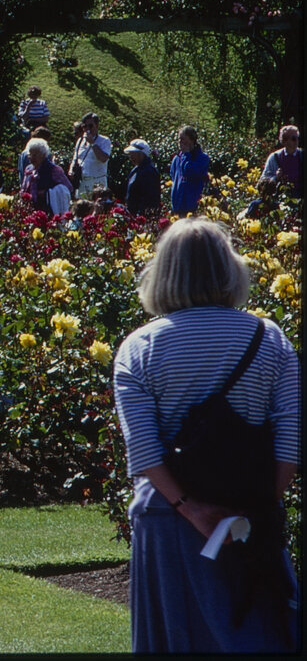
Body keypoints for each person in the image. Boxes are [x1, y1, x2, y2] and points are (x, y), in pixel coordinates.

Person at [113, 217, 299, 652]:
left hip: (167, 520)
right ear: (229, 269)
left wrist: (189, 508)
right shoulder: (268, 338)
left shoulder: (139, 348)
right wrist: (257, 505)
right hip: (250, 512)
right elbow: (291, 435)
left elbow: (142, 449)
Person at [21, 138, 74, 216]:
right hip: (31, 209)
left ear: (43, 154)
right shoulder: (29, 169)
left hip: (47, 210)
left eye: (35, 154)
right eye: (30, 154)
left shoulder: (54, 170)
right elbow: (23, 189)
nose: (32, 157)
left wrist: (47, 193)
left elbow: (68, 188)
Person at [169, 125, 212, 216]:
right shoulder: (177, 159)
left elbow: (188, 172)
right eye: (179, 139)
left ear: (192, 140)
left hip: (192, 207)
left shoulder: (202, 158)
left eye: (183, 139)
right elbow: (174, 177)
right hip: (178, 207)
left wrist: (186, 155)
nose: (180, 142)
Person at [69, 112, 112, 197]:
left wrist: (92, 143)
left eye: (90, 126)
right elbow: (75, 159)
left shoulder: (104, 141)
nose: (87, 129)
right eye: (85, 126)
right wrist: (71, 170)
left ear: (97, 125)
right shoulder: (80, 141)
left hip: (97, 182)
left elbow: (103, 158)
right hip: (83, 182)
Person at [120, 139, 162, 217]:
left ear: (142, 154)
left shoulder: (149, 171)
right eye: (130, 153)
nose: (131, 156)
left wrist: (140, 217)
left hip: (143, 217)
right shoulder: (136, 170)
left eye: (133, 153)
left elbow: (150, 199)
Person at [260, 124, 300, 197]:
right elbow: (262, 182)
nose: (297, 141)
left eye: (298, 138)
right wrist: (276, 177)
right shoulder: (275, 157)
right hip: (279, 199)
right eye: (294, 138)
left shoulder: (303, 155)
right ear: (285, 141)